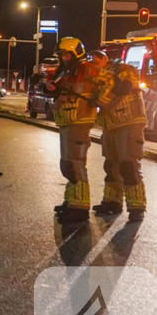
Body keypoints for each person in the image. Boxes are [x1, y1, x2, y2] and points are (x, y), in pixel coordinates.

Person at [44, 38, 102, 223]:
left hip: (79, 120)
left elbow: (107, 82)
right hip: (68, 121)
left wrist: (100, 100)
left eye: (68, 54)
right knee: (68, 164)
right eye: (63, 55)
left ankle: (80, 207)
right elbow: (61, 90)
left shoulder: (86, 68)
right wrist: (49, 88)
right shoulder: (69, 71)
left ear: (76, 53)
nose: (65, 58)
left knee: (76, 164)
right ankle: (71, 202)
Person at [90, 50, 147, 222]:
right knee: (111, 165)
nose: (93, 66)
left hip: (129, 121)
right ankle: (112, 202)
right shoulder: (97, 76)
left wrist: (99, 99)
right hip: (110, 124)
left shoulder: (124, 69)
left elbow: (123, 88)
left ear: (104, 59)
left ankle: (137, 207)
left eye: (95, 62)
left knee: (128, 164)